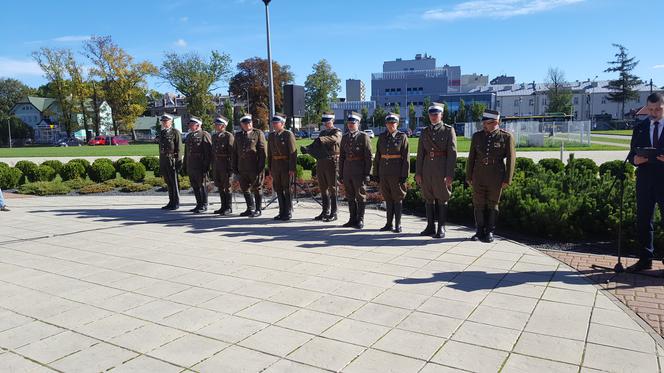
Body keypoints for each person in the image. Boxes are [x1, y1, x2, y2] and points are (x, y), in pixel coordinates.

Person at [626, 92, 664, 272]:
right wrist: (636, 160)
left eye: (658, 109)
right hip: (645, 180)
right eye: (650, 109)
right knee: (643, 220)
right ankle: (645, 259)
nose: (654, 113)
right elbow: (631, 153)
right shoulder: (641, 126)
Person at [466, 109, 515, 243]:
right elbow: (471, 158)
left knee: (493, 204)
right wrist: (469, 176)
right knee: (478, 203)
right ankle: (479, 230)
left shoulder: (506, 137)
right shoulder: (477, 136)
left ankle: (490, 231)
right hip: (479, 174)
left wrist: (507, 179)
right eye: (484, 123)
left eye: (487, 123)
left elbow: (511, 159)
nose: (484, 125)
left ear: (496, 122)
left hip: (495, 176)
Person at [415, 102, 457, 238]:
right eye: (431, 114)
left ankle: (441, 227)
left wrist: (449, 174)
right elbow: (420, 153)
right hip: (427, 169)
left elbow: (452, 154)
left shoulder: (448, 130)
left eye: (436, 114)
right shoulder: (425, 131)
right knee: (428, 198)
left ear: (441, 115)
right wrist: (418, 172)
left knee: (442, 197)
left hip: (441, 169)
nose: (433, 117)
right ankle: (430, 226)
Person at [301, 111, 342, 222]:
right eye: (324, 122)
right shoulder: (322, 133)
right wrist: (308, 148)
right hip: (321, 162)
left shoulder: (337, 132)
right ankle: (325, 211)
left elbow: (334, 139)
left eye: (328, 122)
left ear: (333, 121)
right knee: (323, 187)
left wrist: (321, 140)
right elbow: (316, 145)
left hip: (332, 162)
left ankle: (334, 212)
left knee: (332, 188)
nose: (326, 124)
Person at [373, 112, 409, 233]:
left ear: (397, 124)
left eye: (393, 123)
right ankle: (389, 224)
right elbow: (378, 156)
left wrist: (404, 175)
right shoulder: (382, 137)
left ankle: (398, 224)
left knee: (397, 198)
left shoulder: (402, 137)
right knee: (388, 198)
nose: (391, 125)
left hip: (396, 173)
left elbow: (406, 158)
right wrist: (376, 173)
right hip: (384, 172)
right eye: (389, 123)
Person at [339, 111, 372, 229]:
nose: (350, 125)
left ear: (358, 123)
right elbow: (342, 156)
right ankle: (352, 219)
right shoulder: (344, 137)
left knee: (360, 195)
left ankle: (360, 219)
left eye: (353, 123)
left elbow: (368, 156)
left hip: (359, 170)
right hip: (348, 170)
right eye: (349, 123)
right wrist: (341, 173)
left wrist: (367, 173)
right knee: (350, 195)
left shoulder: (363, 136)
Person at [233, 114, 267, 218]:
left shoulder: (257, 133)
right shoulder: (238, 135)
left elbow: (262, 152)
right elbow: (234, 152)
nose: (248, 125)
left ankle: (258, 209)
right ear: (242, 124)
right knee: (245, 188)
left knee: (257, 188)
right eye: (245, 123)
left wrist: (260, 167)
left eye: (249, 123)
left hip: (254, 167)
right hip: (242, 167)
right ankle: (250, 208)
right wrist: (234, 167)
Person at [267, 113, 297, 220]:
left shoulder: (288, 134)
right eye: (273, 123)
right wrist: (270, 168)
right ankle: (281, 211)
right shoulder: (271, 135)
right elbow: (269, 153)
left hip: (285, 166)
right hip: (275, 166)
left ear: (282, 123)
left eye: (276, 123)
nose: (274, 125)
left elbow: (293, 152)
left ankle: (288, 211)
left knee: (287, 189)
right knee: (278, 189)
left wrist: (292, 168)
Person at [183, 117, 212, 213]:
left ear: (198, 125)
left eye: (192, 124)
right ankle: (198, 204)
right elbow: (187, 152)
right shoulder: (189, 136)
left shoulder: (204, 134)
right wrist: (185, 165)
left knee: (202, 185)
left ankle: (204, 204)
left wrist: (207, 166)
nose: (190, 126)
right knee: (195, 186)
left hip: (200, 165)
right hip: (191, 165)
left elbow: (208, 152)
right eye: (190, 125)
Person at [211, 115, 234, 215]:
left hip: (225, 164)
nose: (216, 126)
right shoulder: (214, 136)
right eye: (215, 124)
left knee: (227, 186)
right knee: (220, 186)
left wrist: (231, 167)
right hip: (217, 164)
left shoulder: (228, 136)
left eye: (218, 124)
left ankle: (228, 207)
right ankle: (223, 206)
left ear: (223, 126)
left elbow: (232, 153)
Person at [158, 114, 182, 210]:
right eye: (163, 121)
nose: (164, 123)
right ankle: (171, 201)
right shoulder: (162, 132)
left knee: (174, 182)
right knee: (168, 182)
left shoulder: (175, 132)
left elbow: (179, 148)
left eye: (166, 121)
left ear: (171, 122)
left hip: (172, 159)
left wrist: (178, 161)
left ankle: (176, 202)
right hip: (164, 160)